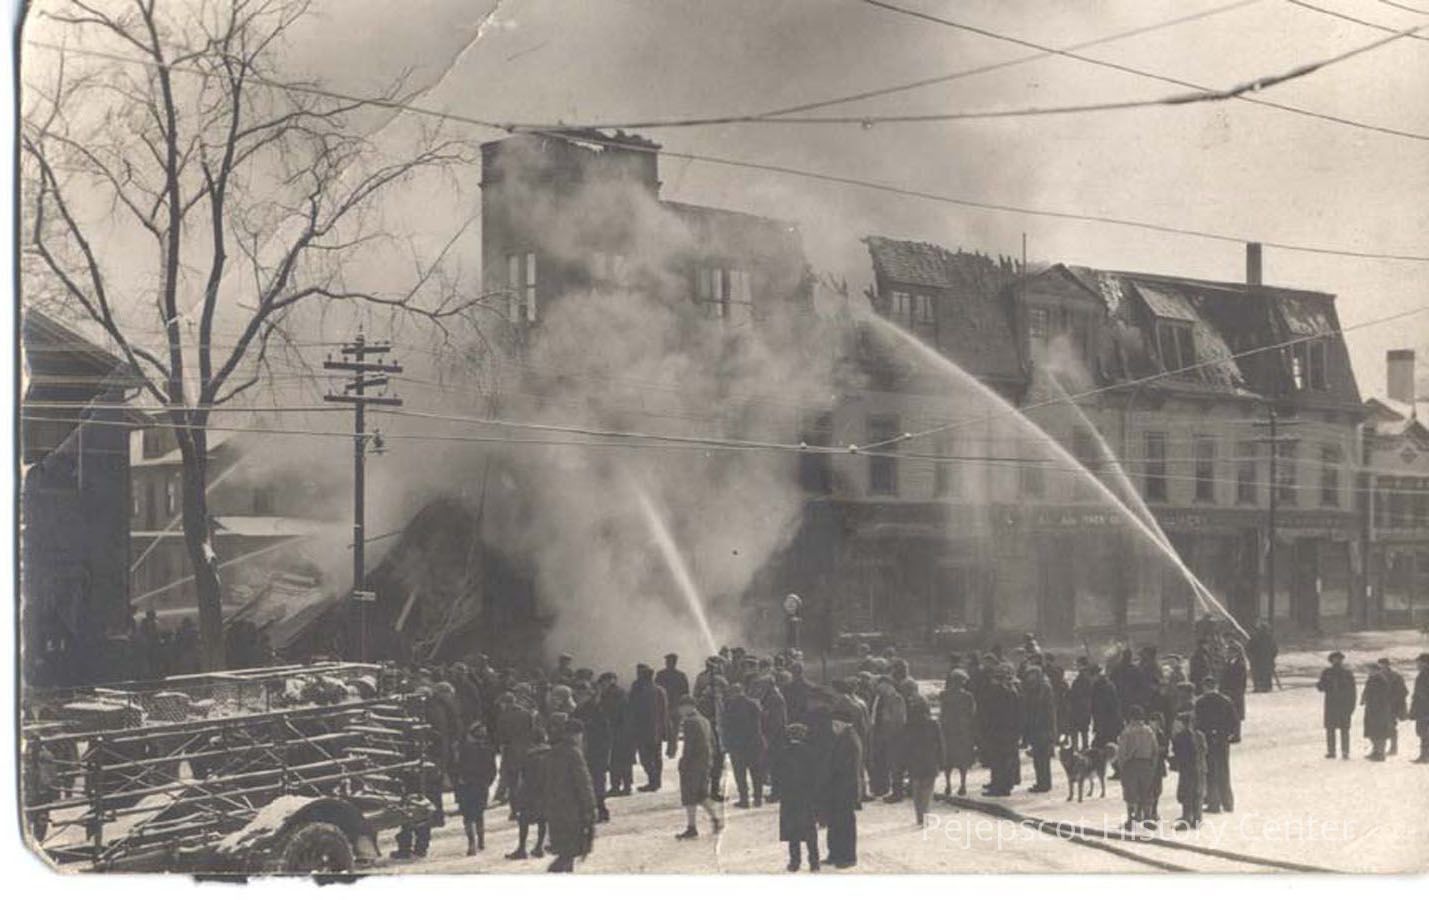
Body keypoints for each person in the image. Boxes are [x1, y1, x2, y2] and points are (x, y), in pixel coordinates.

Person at [543, 719, 597, 873]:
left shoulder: (553, 751)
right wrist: (590, 806)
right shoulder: (574, 753)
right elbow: (583, 782)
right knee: (571, 848)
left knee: (564, 846)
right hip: (573, 807)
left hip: (555, 805)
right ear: (576, 734)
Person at [675, 696, 723, 839]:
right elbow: (713, 742)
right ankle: (715, 818)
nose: (680, 711)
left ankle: (692, 827)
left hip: (693, 763)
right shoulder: (705, 720)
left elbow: (689, 746)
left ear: (688, 706)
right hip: (705, 762)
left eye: (681, 707)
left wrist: (683, 763)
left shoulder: (690, 722)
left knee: (689, 795)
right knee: (702, 795)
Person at [774, 722, 819, 871]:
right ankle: (814, 862)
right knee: (810, 831)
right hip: (806, 798)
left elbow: (777, 776)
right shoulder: (811, 753)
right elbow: (816, 776)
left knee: (792, 832)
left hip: (789, 799)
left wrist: (779, 792)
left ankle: (795, 862)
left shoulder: (783, 753)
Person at [1193, 677, 1237, 814]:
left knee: (1211, 772)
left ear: (1205, 687)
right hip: (1222, 740)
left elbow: (1197, 722)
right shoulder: (1226, 700)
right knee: (1224, 770)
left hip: (1207, 740)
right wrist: (1229, 735)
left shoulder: (1200, 702)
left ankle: (1214, 803)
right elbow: (1234, 721)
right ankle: (1228, 802)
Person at [506, 726, 550, 860]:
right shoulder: (551, 753)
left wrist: (519, 796)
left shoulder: (529, 756)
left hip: (530, 793)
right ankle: (539, 847)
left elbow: (524, 776)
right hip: (546, 791)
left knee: (523, 820)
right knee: (543, 820)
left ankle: (522, 848)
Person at [722, 679, 766, 808]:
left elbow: (727, 726)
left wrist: (727, 744)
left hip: (738, 746)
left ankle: (744, 799)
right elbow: (760, 723)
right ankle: (758, 798)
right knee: (756, 773)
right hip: (754, 743)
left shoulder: (730, 706)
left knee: (740, 774)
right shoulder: (753, 704)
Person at [454, 721, 497, 855]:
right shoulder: (488, 748)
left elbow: (456, 767)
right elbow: (492, 769)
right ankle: (481, 841)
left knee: (468, 817)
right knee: (479, 814)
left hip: (466, 784)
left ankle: (471, 843)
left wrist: (458, 782)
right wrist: (488, 782)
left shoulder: (463, 749)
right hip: (481, 784)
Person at [901, 695, 944, 826]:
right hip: (930, 760)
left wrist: (904, 763)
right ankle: (925, 816)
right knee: (927, 790)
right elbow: (940, 744)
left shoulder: (908, 725)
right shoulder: (933, 724)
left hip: (914, 761)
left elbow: (904, 745)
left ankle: (919, 816)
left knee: (916, 789)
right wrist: (942, 760)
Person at [981, 665, 1022, 797]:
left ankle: (999, 786)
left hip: (999, 731)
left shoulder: (999, 693)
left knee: (998, 760)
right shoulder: (1013, 692)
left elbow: (991, 713)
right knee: (1005, 759)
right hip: (1009, 731)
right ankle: (1003, 784)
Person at [1115, 706, 1158, 830]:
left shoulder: (1127, 732)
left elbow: (1122, 751)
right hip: (1146, 764)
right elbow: (1155, 749)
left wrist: (1122, 766)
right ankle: (1147, 817)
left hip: (1131, 764)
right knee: (1146, 791)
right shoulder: (1149, 731)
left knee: (1130, 793)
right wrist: (1152, 765)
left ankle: (1131, 819)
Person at [628, 663, 668, 792]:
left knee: (646, 758)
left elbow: (633, 710)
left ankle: (653, 781)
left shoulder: (639, 691)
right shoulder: (660, 690)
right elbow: (664, 711)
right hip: (657, 730)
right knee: (657, 757)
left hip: (643, 730)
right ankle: (657, 781)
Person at [938, 669, 977, 798]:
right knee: (962, 759)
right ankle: (963, 784)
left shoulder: (944, 694)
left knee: (948, 759)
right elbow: (972, 714)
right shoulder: (968, 696)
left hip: (948, 729)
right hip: (962, 730)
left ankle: (948, 784)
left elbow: (942, 712)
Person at [1021, 665, 1058, 794]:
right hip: (1035, 727)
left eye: (1032, 675)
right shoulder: (1032, 688)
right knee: (1038, 758)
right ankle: (1041, 782)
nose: (1030, 677)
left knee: (1043, 758)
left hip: (1043, 727)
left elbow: (1049, 711)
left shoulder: (1044, 689)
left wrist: (1052, 730)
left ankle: (1044, 783)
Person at [869, 677, 907, 800]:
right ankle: (882, 788)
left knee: (895, 765)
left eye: (879, 686)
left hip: (893, 736)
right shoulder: (880, 697)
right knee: (882, 762)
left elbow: (899, 719)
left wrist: (892, 733)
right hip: (879, 735)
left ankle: (897, 792)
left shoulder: (896, 698)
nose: (877, 688)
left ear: (887, 685)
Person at [1169, 711, 1207, 830]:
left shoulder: (1180, 737)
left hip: (1187, 769)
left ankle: (1186, 819)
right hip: (1200, 768)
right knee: (1198, 793)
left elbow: (1178, 753)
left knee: (1187, 794)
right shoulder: (1200, 735)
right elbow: (1205, 750)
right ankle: (1197, 819)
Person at [1316, 651, 1357, 760]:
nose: (1337, 661)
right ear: (1331, 660)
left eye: (1338, 659)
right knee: (1330, 729)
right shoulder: (1327, 672)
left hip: (1343, 704)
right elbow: (1321, 687)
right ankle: (1331, 751)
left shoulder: (1347, 673)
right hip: (1331, 704)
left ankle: (1345, 752)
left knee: (1344, 729)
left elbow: (1352, 691)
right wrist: (1321, 684)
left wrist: (1351, 706)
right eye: (1334, 659)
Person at [656, 653, 690, 758]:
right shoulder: (680, 676)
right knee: (672, 730)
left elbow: (685, 692)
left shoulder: (661, 675)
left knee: (669, 729)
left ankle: (669, 750)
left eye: (669, 661)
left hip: (670, 706)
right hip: (670, 706)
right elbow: (686, 692)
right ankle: (671, 750)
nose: (668, 663)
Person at [1362, 662, 1395, 762]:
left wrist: (1374, 704)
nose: (1368, 671)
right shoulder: (1372, 679)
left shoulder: (1380, 680)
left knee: (1380, 732)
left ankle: (1380, 753)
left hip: (1379, 710)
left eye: (1370, 670)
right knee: (1373, 731)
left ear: (1376, 670)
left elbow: (1382, 695)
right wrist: (1364, 699)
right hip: (1372, 709)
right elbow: (1368, 692)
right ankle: (1375, 751)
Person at [1379, 658, 1409, 757]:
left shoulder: (1396, 677)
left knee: (1391, 727)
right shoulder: (1377, 676)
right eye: (1381, 665)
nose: (1382, 667)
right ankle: (1381, 748)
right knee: (1381, 727)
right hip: (1380, 706)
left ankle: (1393, 748)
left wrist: (1394, 700)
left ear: (1388, 665)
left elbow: (1404, 691)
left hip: (1392, 706)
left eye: (1384, 665)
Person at [1090, 664, 1122, 750]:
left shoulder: (1104, 686)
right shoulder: (1101, 685)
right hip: (1106, 723)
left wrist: (1099, 726)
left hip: (1108, 723)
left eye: (1092, 676)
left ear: (1096, 675)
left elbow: (1103, 707)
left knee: (1106, 746)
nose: (1091, 679)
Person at [1221, 642, 1248, 741]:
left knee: (1236, 714)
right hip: (1228, 691)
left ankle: (1236, 735)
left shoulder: (1240, 664)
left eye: (1229, 652)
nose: (1227, 654)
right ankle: (1231, 733)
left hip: (1235, 692)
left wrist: (1235, 691)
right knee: (1229, 713)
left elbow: (1240, 680)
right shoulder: (1228, 663)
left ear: (1235, 653)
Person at [1067, 658, 1094, 750]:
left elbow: (1078, 692)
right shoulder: (1087, 675)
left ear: (1082, 664)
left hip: (1080, 706)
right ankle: (1084, 747)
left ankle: (1076, 748)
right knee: (1084, 729)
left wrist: (1069, 694)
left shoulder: (1083, 677)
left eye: (1077, 664)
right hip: (1085, 706)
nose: (1076, 666)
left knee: (1076, 728)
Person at [1246, 621, 1278, 692]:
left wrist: (1271, 657)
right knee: (1260, 674)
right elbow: (1248, 649)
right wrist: (1251, 657)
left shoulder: (1269, 638)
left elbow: (1274, 649)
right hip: (1259, 660)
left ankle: (1264, 687)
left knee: (1265, 674)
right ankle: (1260, 687)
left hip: (1264, 660)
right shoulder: (1256, 638)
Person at [1410, 652, 1429, 764]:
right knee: (1424, 732)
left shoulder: (1424, 675)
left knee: (1423, 732)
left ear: (1425, 663)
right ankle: (1424, 756)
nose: (1417, 665)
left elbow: (1421, 694)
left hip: (1424, 709)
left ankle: (1425, 756)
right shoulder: (1423, 674)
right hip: (1423, 708)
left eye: (1418, 662)